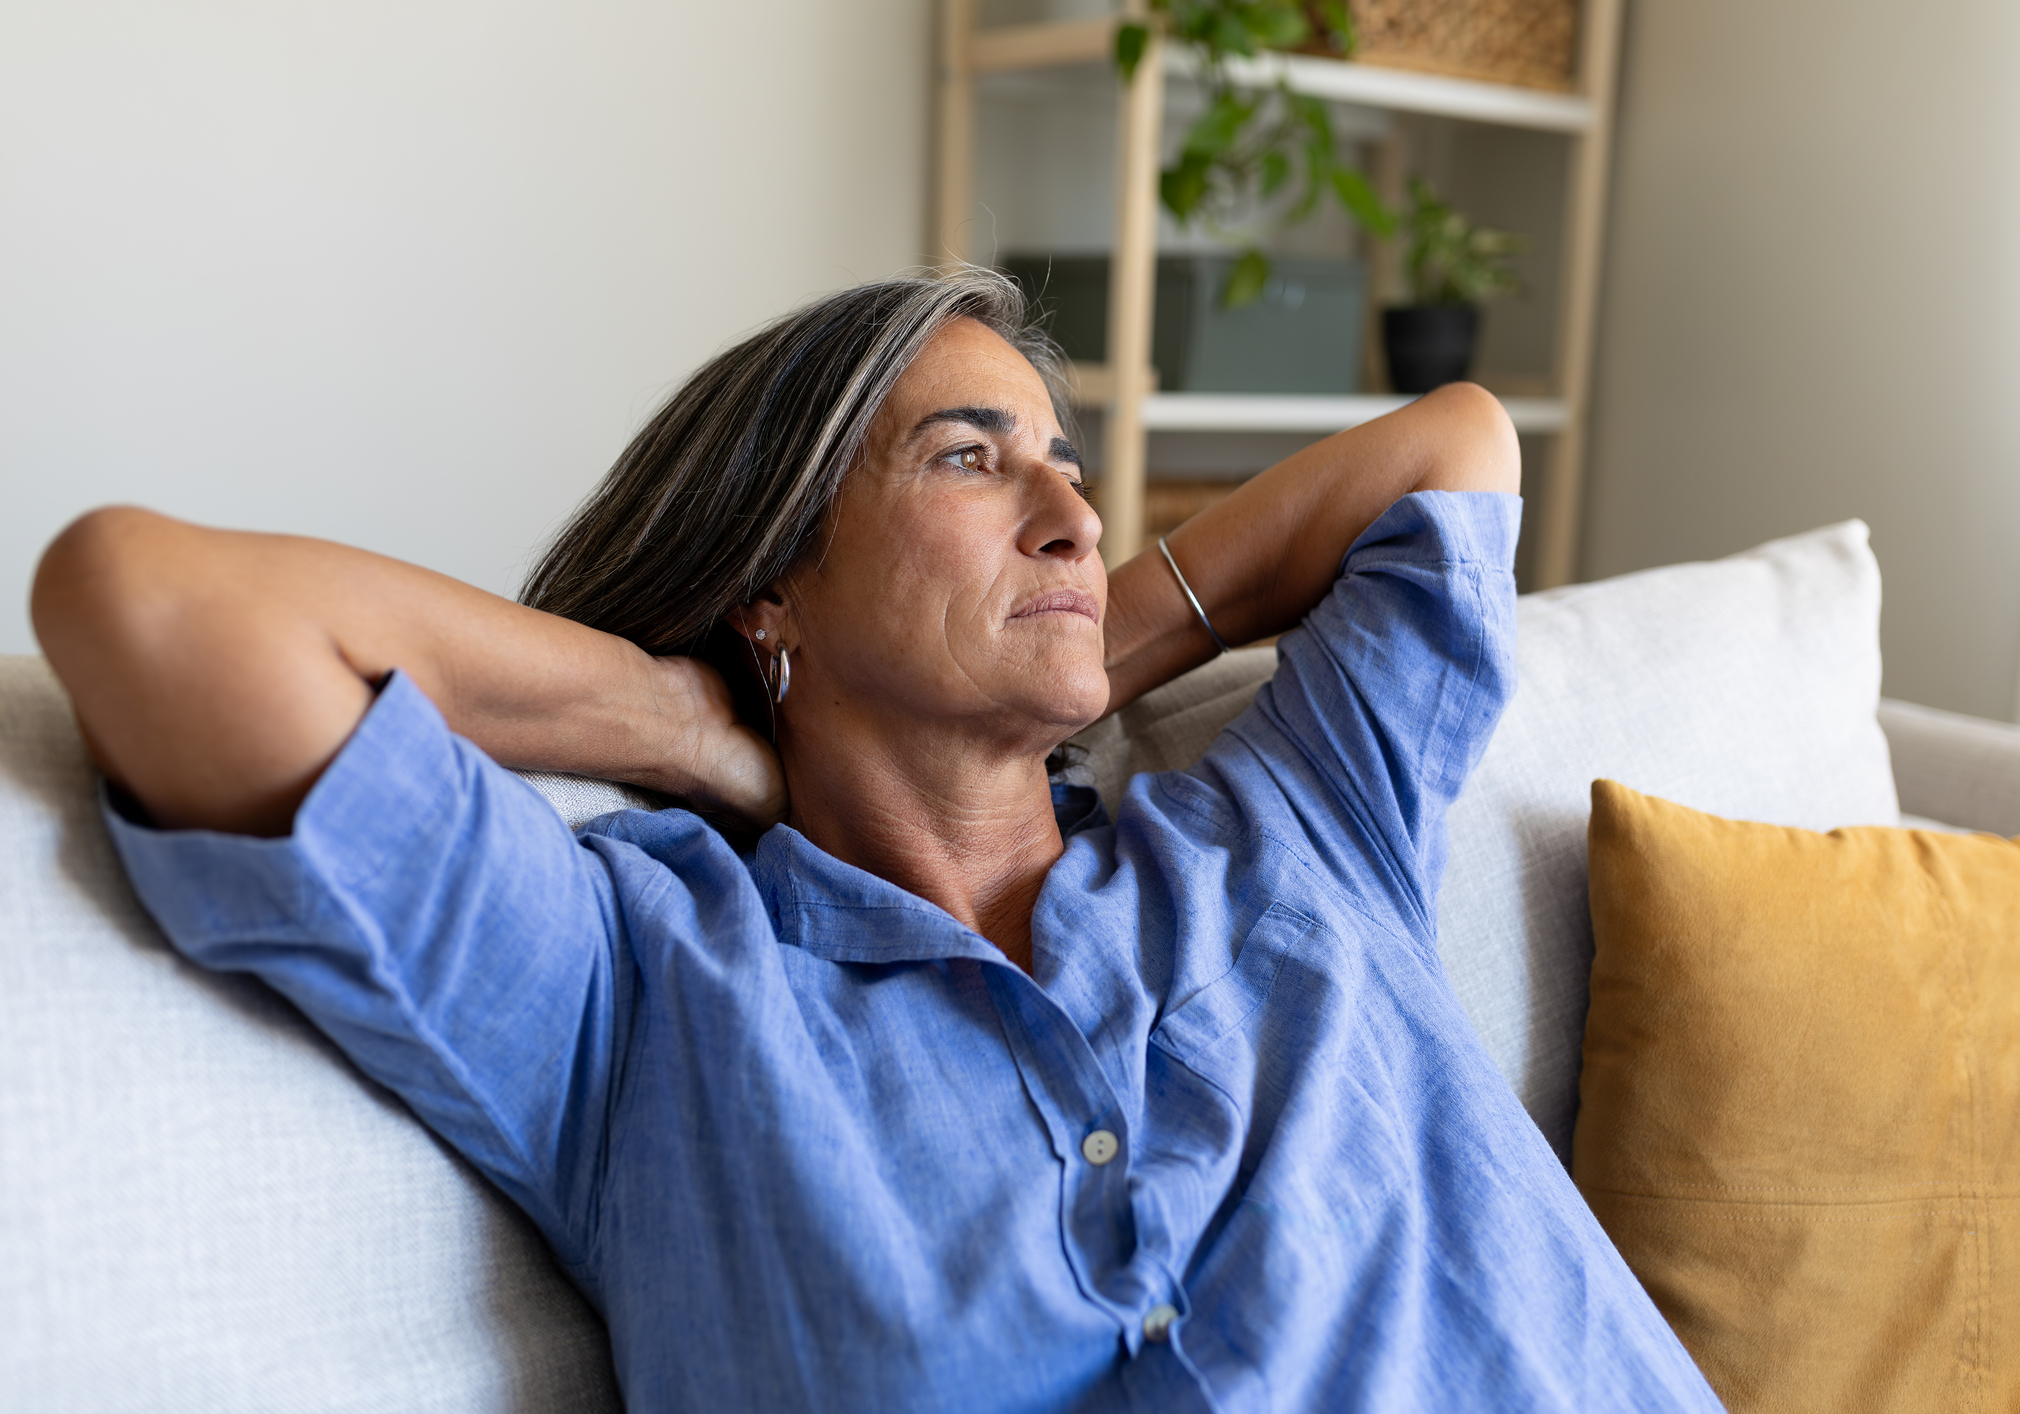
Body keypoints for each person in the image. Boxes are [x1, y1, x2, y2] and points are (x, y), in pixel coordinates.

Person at [32, 268, 1721, 1412]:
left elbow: (1452, 448)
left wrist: (1073, 643)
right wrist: (681, 718)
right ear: (772, 582)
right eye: (967, 458)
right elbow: (155, 608)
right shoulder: (639, 990)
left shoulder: (1291, 834)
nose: (1069, 510)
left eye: (1064, 466)